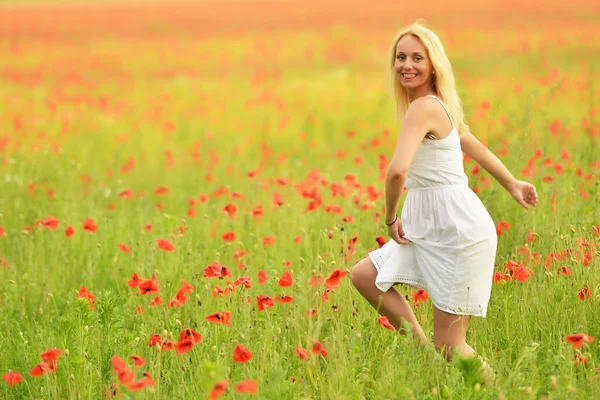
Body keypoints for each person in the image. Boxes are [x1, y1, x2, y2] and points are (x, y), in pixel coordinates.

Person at [350, 20, 538, 385]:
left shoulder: (424, 108)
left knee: (451, 345)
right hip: (431, 226)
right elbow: (476, 147)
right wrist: (512, 183)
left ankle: (500, 391)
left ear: (433, 64)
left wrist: (390, 219)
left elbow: (396, 172)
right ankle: (425, 357)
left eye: (417, 58)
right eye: (400, 57)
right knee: (365, 276)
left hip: (455, 230)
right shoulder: (435, 105)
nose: (407, 64)